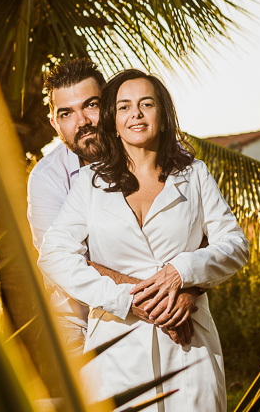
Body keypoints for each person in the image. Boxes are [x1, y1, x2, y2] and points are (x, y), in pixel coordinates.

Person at [38, 68, 250, 412]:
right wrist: (127, 299)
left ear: (163, 113)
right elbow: (54, 255)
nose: (135, 114)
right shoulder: (90, 183)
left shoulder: (194, 175)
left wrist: (182, 273)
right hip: (115, 347)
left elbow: (234, 246)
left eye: (146, 104)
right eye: (124, 107)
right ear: (113, 120)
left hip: (186, 347)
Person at [27, 57, 195, 349]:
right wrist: (155, 297)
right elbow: (65, 260)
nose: (82, 121)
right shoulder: (46, 178)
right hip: (79, 325)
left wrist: (192, 287)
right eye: (66, 113)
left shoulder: (164, 152)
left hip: (173, 312)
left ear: (109, 104)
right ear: (54, 123)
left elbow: (203, 228)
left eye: (91, 105)